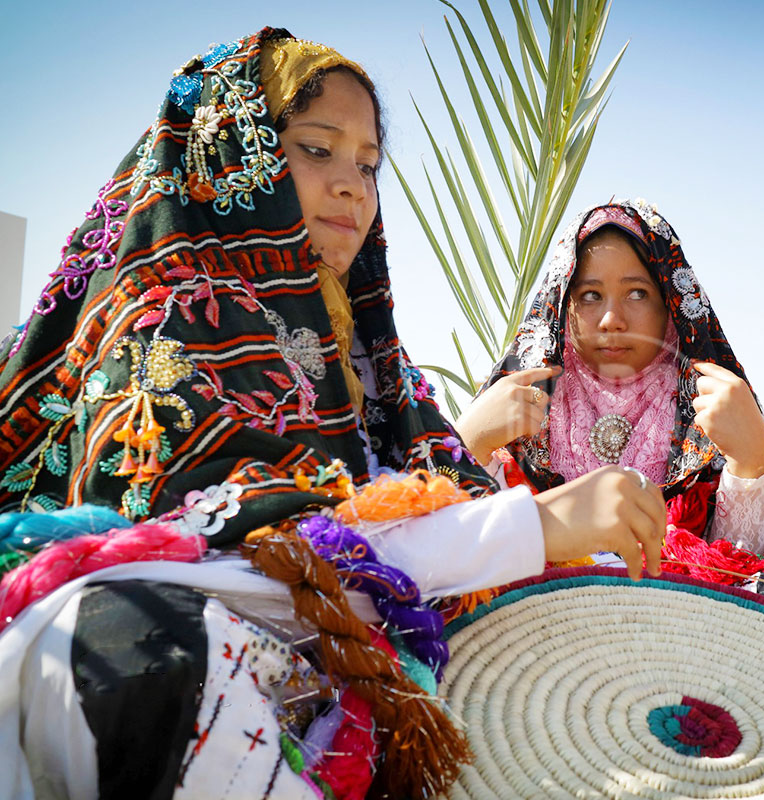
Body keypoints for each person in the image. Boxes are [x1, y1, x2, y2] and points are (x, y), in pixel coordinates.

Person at [0, 29, 663, 800]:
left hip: (335, 707)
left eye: (370, 164)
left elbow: (405, 545)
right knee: (139, 640)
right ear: (230, 162)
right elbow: (215, 565)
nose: (353, 185)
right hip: (155, 691)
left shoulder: (371, 374)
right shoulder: (158, 339)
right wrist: (526, 528)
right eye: (317, 149)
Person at [455, 201, 764, 565]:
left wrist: (751, 464)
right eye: (590, 296)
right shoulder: (519, 407)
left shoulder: (715, 410)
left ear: (670, 303)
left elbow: (739, 572)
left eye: (636, 293)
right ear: (564, 304)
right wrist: (468, 444)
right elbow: (460, 556)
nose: (611, 319)